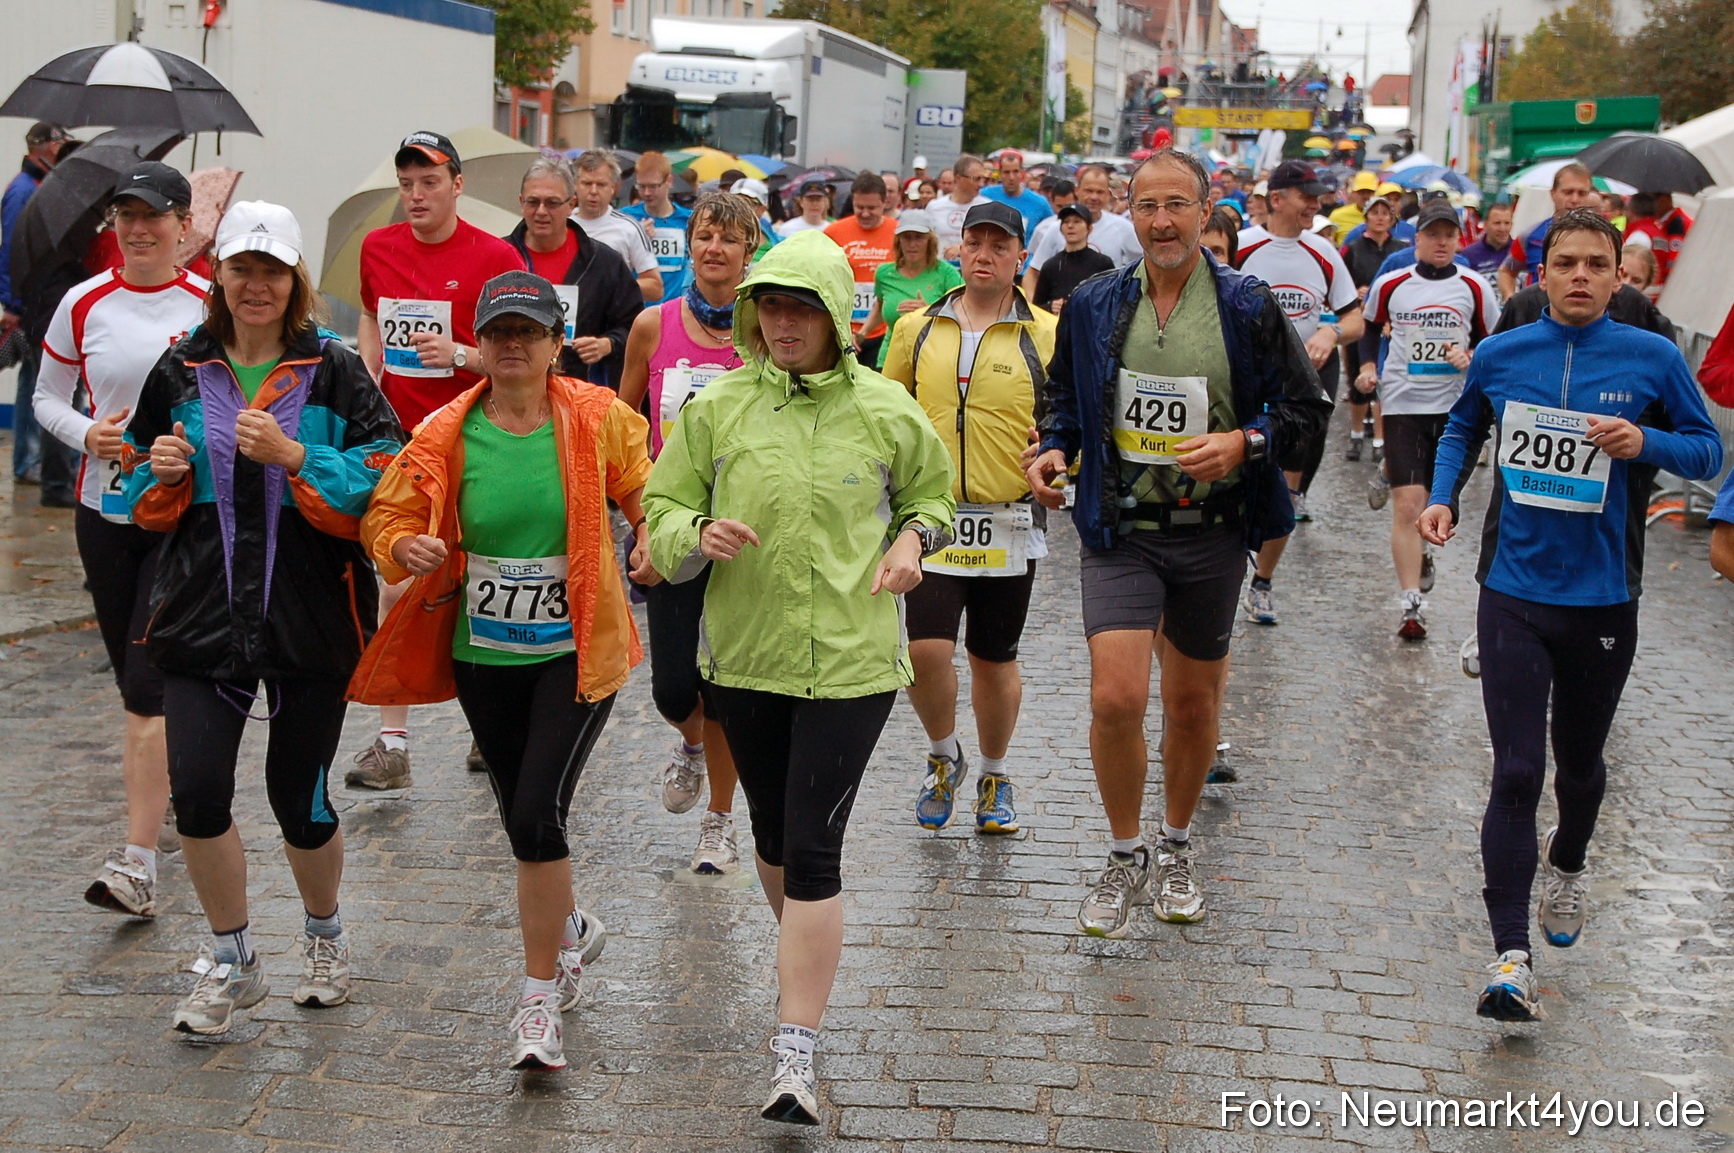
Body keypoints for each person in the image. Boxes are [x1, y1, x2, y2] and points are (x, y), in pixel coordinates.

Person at [644, 230, 954, 1126]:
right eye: (770, 305)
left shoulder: (888, 407)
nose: (783, 322)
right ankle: (803, 968)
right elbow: (666, 505)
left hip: (853, 663)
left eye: (801, 305)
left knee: (815, 850)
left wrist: (910, 542)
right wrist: (691, 537)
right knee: (775, 842)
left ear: (834, 315)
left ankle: (795, 1050)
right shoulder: (720, 406)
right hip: (744, 657)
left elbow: (932, 495)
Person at [1417, 208, 1721, 1022]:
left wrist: (1645, 444)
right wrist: (1443, 496)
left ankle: (1571, 857)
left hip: (1602, 597)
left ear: (1621, 276)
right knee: (1516, 771)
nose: (1580, 275)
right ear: (1540, 274)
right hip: (1511, 590)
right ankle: (1508, 958)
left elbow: (1708, 450)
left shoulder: (1652, 357)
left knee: (1578, 766)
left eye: (1597, 263)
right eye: (1566, 263)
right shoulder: (1503, 353)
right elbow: (1462, 424)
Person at [1026, 149, 1329, 939]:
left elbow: (1306, 411)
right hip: (1121, 531)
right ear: (1129, 210)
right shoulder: (1094, 302)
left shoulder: (1247, 302)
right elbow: (1064, 398)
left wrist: (1246, 443)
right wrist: (1055, 447)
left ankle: (1176, 844)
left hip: (1213, 534)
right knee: (1116, 697)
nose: (1162, 221)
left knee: (1193, 708)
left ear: (1205, 211)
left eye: (1177, 206)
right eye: (1147, 205)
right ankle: (1124, 854)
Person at [351, 270, 643, 1069]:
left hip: (578, 649)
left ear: (556, 343)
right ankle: (572, 925)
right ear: (478, 347)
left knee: (532, 816)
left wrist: (651, 534)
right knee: (524, 811)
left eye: (529, 331)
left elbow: (647, 488)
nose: (512, 345)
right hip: (483, 654)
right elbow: (387, 512)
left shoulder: (596, 417)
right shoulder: (446, 430)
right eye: (499, 332)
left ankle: (538, 1001)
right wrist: (399, 546)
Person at [124, 201, 403, 1034]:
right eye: (242, 268)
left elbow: (386, 478)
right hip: (204, 614)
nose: (256, 285)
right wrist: (160, 469)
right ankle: (233, 956)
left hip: (311, 616)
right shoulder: (180, 367)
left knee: (299, 796)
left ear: (295, 281)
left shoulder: (338, 370)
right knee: (199, 793)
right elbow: (140, 491)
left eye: (272, 271)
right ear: (219, 274)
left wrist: (297, 457)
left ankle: (324, 934)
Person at [33, 162, 209, 917]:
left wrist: (191, 446)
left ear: (182, 226)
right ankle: (161, 784)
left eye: (153, 217)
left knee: (146, 685)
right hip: (102, 514)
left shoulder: (212, 303)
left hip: (178, 519)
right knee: (131, 679)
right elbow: (45, 397)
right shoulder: (84, 302)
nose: (138, 231)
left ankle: (136, 864)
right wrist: (88, 432)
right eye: (125, 218)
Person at [352, 130, 524, 789]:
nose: (416, 195)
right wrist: (369, 359)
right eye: (406, 184)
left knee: (476, 577)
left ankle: (489, 722)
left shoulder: (495, 256)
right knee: (396, 576)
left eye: (429, 182)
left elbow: (527, 359)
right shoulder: (378, 247)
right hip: (400, 441)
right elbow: (372, 313)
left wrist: (458, 354)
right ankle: (392, 742)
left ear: (458, 185)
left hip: (476, 436)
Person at [882, 201, 1056, 837]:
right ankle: (943, 753)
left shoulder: (1044, 333)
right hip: (931, 514)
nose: (984, 254)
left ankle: (993, 770)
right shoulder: (916, 328)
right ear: (959, 250)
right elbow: (886, 408)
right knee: (923, 651)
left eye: (998, 246)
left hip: (1008, 515)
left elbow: (1067, 420)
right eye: (974, 243)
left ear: (1018, 257)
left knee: (992, 656)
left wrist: (1062, 461)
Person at [618, 193, 757, 873]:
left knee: (726, 682)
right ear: (691, 243)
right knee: (675, 688)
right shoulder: (653, 326)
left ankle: (720, 822)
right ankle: (691, 744)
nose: (715, 249)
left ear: (749, 252)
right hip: (672, 527)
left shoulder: (764, 333)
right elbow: (623, 434)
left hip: (743, 531)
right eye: (706, 236)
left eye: (730, 239)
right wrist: (642, 522)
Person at [1358, 197, 1499, 639]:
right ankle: (1411, 602)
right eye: (1432, 234)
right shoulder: (1393, 282)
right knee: (1408, 503)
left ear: (1459, 240)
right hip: (1402, 403)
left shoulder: (1475, 287)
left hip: (1455, 411)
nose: (1441, 242)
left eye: (1449, 235)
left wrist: (1471, 355)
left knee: (1438, 504)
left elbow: (1494, 347)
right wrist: (1366, 368)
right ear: (1417, 239)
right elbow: (1367, 330)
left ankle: (1422, 548)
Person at [1234, 160, 1364, 622]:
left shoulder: (1324, 253)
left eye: (1318, 196)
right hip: (1244, 385)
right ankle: (1224, 571)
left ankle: (1262, 582)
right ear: (1276, 200)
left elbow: (1354, 318)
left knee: (1285, 494)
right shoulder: (1242, 247)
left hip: (1299, 390)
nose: (1316, 204)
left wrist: (1330, 334)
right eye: (1306, 195)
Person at [504, 155, 643, 390]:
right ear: (521, 202)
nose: (541, 211)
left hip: (581, 394)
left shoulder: (603, 262)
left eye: (552, 203)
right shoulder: (501, 258)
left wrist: (608, 343)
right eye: (533, 202)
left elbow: (635, 326)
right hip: (513, 393)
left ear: (571, 205)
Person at [1, 122, 71, 489]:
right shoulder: (23, 190)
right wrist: (12, 303)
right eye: (59, 142)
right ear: (41, 147)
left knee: (36, 380)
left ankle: (33, 459)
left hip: (36, 300)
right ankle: (27, 459)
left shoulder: (39, 187)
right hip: (29, 305)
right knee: (33, 383)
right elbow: (12, 248)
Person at [1339, 196, 1410, 462]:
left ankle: (1380, 438)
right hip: (1359, 317)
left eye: (1385, 213)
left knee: (1383, 378)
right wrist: (1354, 292)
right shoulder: (1353, 248)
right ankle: (1356, 433)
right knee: (1359, 376)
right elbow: (1339, 281)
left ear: (1392, 219)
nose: (1380, 217)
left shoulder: (1400, 249)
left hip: (1391, 321)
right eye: (1374, 212)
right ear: (1366, 217)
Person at [858, 210, 962, 370]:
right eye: (907, 237)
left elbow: (965, 316)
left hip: (931, 361)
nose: (912, 244)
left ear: (930, 241)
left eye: (919, 237)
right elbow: (880, 306)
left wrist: (929, 312)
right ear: (898, 241)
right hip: (890, 359)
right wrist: (862, 334)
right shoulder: (884, 273)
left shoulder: (947, 274)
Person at [823, 173, 898, 364]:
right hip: (843, 330)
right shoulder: (834, 232)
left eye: (872, 208)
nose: (865, 214)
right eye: (859, 207)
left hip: (884, 330)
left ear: (885, 203)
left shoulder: (899, 233)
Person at [571, 150, 662, 303]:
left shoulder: (629, 228)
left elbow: (655, 288)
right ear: (575, 185)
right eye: (587, 183)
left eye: (601, 185)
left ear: (613, 188)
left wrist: (610, 286)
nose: (593, 191)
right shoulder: (561, 224)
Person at [1498, 162, 1595, 298]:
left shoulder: (1603, 238)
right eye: (1568, 192)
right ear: (1553, 194)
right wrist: (1511, 299)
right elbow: (1507, 271)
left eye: (1582, 193)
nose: (1574, 199)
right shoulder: (1530, 236)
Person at [1026, 164, 1144, 274]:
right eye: (1089, 191)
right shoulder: (1056, 227)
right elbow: (1034, 272)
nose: (1094, 197)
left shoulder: (1123, 228)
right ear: (1077, 191)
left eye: (1100, 192)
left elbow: (1144, 266)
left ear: (1108, 194)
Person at [620, 150, 692, 304]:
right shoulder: (625, 219)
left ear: (669, 181)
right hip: (638, 311)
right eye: (641, 186)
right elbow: (615, 268)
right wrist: (636, 237)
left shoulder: (689, 220)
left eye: (653, 186)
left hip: (675, 310)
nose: (646, 193)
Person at [1031, 204, 1115, 312]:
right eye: (1066, 222)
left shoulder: (1102, 263)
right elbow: (1036, 308)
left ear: (1089, 228)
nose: (1070, 226)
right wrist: (1050, 307)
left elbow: (1113, 302)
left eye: (1077, 221)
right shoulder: (1051, 266)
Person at [980, 149, 1054, 245]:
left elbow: (1052, 231)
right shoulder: (985, 196)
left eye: (1015, 172)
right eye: (1007, 172)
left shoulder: (1040, 203)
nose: (1011, 177)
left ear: (1022, 173)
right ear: (1000, 174)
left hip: (1024, 258)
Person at [928, 153, 991, 262]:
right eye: (976, 179)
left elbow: (991, 243)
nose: (981, 184)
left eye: (983, 179)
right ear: (958, 178)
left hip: (973, 272)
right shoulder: (934, 207)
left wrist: (962, 248)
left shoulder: (987, 207)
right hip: (940, 269)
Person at [1623, 191, 1692, 288]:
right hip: (1657, 287)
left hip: (1643, 289)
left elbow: (1627, 265)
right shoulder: (1660, 230)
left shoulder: (1641, 234)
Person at [1460, 202, 1514, 299]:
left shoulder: (1522, 251)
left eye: (1507, 223)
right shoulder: (1469, 255)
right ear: (1485, 225)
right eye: (1497, 223)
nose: (1503, 228)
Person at [1328, 170, 1378, 245]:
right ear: (1354, 193)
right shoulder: (1338, 215)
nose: (1365, 196)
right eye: (1361, 192)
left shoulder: (1385, 217)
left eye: (1369, 192)